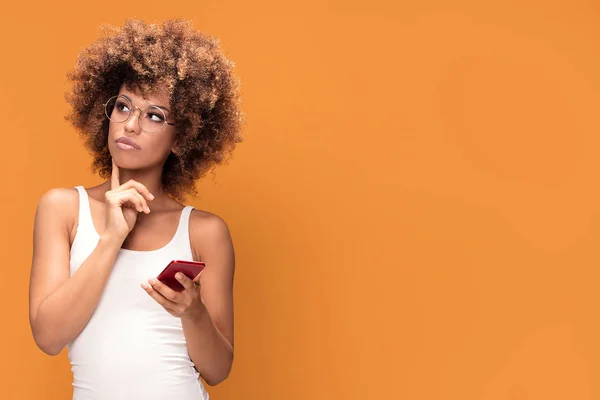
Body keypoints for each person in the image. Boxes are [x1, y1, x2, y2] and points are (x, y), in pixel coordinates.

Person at [28, 19, 243, 400]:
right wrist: (112, 238)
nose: (131, 125)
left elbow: (218, 370)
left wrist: (193, 313)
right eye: (123, 106)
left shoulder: (204, 231)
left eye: (154, 115)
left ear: (183, 137)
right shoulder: (63, 208)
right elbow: (48, 337)